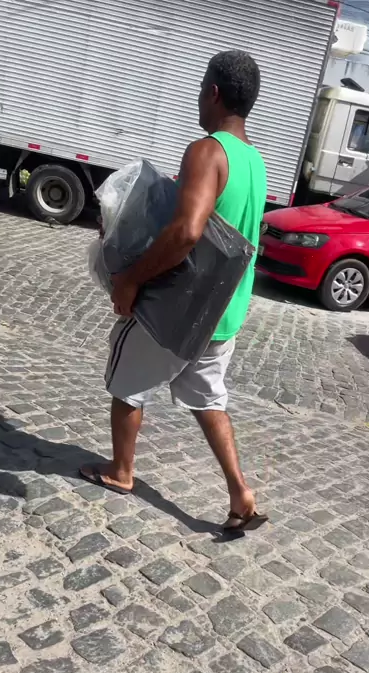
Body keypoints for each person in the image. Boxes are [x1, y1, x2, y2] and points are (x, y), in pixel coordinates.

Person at [81, 50, 268, 532]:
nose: (198, 97)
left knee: (127, 383)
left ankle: (121, 471)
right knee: (209, 399)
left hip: (178, 309)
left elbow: (187, 231)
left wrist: (131, 280)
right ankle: (240, 492)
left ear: (214, 93)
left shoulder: (207, 151)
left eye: (201, 87)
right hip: (223, 314)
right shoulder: (255, 161)